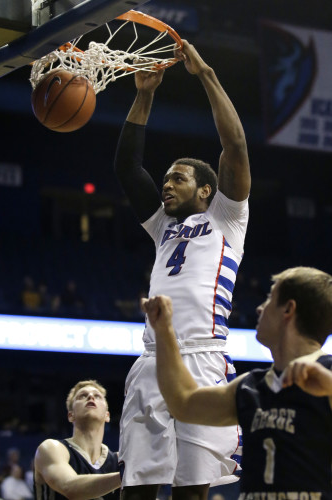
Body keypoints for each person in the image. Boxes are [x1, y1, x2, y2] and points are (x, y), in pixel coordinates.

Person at [114, 40, 251, 500]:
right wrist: (145, 94)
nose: (167, 185)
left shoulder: (227, 218)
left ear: (208, 190)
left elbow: (233, 144)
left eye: (178, 178)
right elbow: (127, 165)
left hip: (203, 357)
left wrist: (206, 74)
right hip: (152, 361)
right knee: (138, 490)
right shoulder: (161, 226)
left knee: (190, 492)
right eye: (167, 178)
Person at [142, 266, 332, 499]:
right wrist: (164, 330)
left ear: (289, 309)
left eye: (270, 298)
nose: (259, 308)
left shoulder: (327, 372)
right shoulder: (252, 385)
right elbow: (183, 402)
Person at [34, 380, 121, 500]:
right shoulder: (52, 448)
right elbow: (69, 487)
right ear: (71, 415)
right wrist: (130, 476)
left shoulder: (119, 461)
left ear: (107, 415)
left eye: (97, 396)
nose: (91, 397)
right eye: (82, 396)